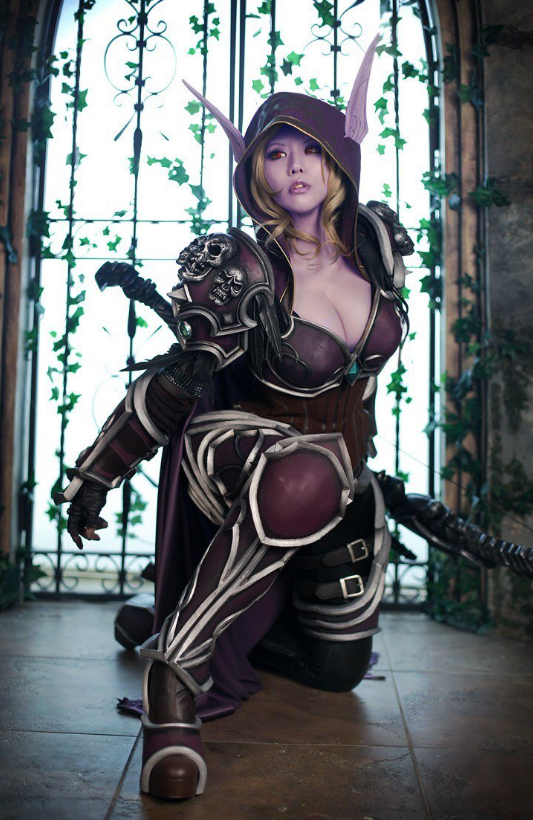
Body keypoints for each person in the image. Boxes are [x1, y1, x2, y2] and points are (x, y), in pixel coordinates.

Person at [55, 35, 415, 800]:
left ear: (337, 163)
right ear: (254, 171)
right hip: (238, 448)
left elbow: (362, 382)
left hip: (337, 470)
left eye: (310, 151)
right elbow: (178, 381)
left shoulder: (375, 247)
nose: (294, 167)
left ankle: (182, 616)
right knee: (301, 478)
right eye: (274, 153)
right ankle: (174, 672)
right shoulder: (242, 264)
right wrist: (97, 474)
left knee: (336, 671)